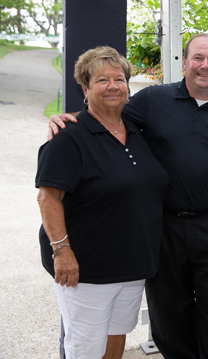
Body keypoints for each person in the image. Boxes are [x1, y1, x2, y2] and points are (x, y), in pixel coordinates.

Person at [49, 33, 208, 359]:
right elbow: (106, 113)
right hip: (161, 229)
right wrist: (67, 120)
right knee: (169, 321)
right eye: (198, 57)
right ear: (184, 62)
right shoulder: (153, 100)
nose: (204, 66)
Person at [37, 46, 169, 359]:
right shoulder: (69, 137)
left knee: (116, 336)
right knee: (85, 348)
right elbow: (47, 197)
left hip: (132, 264)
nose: (112, 86)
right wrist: (62, 251)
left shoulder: (137, 131)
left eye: (119, 79)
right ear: (85, 89)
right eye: (102, 80)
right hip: (85, 269)